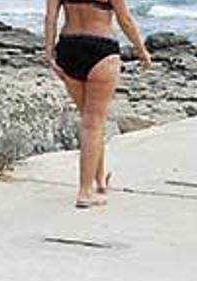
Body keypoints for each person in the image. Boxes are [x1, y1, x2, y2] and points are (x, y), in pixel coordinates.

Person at [44, 0, 151, 209]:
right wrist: (142, 51)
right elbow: (125, 19)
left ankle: (100, 180)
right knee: (93, 123)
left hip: (69, 48)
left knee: (89, 119)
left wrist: (49, 53)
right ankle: (84, 192)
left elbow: (50, 18)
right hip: (101, 49)